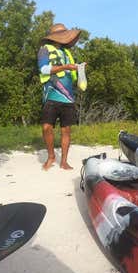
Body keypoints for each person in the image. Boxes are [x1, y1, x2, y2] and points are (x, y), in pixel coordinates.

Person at [38, 23, 85, 170]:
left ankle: (63, 161)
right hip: (51, 96)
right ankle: (51, 156)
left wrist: (79, 68)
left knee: (66, 130)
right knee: (46, 127)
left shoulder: (67, 53)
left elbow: (72, 73)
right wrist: (66, 67)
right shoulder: (44, 50)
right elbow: (44, 69)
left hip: (68, 97)